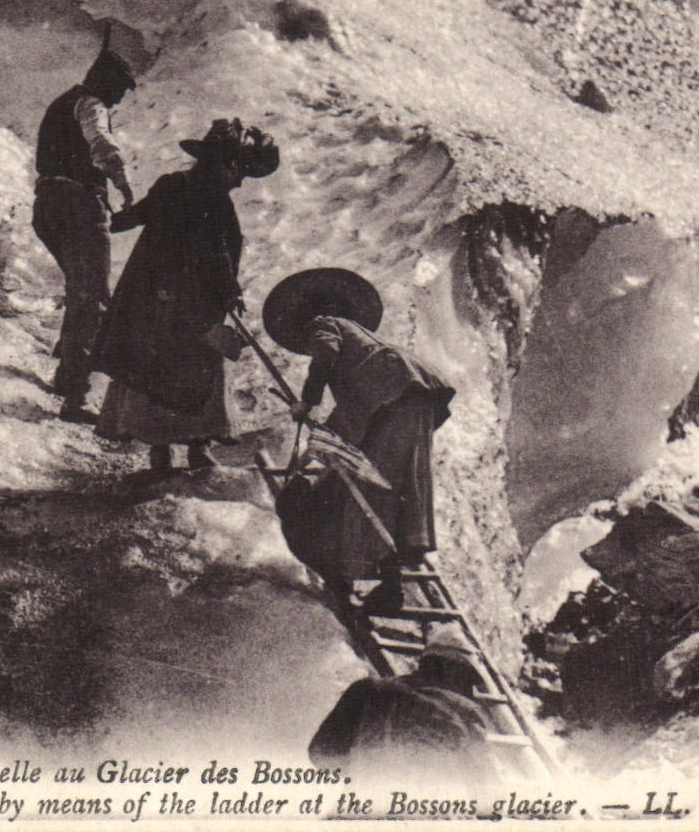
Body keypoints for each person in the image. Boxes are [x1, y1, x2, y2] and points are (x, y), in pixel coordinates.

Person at [92, 119, 279, 474]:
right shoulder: (214, 201)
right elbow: (218, 252)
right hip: (189, 299)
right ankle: (190, 449)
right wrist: (228, 290)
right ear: (223, 165)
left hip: (154, 295)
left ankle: (170, 451)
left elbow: (138, 216)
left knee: (158, 366)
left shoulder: (173, 185)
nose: (240, 181)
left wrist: (110, 219)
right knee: (194, 365)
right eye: (238, 171)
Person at [263, 268, 455, 615]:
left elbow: (324, 354)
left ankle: (384, 583)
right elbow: (355, 406)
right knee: (394, 486)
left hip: (393, 393)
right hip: (414, 394)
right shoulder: (361, 340)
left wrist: (307, 401)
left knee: (370, 484)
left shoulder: (324, 324)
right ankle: (391, 585)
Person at [33, 40, 137, 424]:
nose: (120, 101)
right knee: (91, 298)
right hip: (78, 206)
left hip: (47, 206)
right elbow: (101, 143)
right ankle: (76, 395)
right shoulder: (92, 105)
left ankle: (66, 372)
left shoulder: (63, 102)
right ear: (106, 83)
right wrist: (123, 186)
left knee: (82, 289)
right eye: (121, 91)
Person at [308, 626, 501, 793]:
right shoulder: (465, 712)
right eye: (468, 679)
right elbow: (488, 791)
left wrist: (368, 770)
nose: (469, 690)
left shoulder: (366, 690)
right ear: (451, 670)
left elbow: (320, 753)